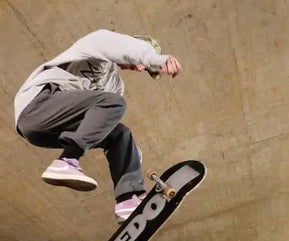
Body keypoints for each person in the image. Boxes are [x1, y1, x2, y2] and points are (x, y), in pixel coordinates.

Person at [14, 30, 182, 223]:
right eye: (144, 64)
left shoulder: (115, 86)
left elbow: (105, 123)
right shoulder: (96, 47)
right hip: (37, 107)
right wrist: (153, 57)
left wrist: (131, 157)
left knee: (120, 133)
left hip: (49, 133)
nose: (141, 68)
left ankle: (128, 200)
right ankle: (67, 161)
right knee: (114, 103)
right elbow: (118, 45)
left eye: (146, 69)